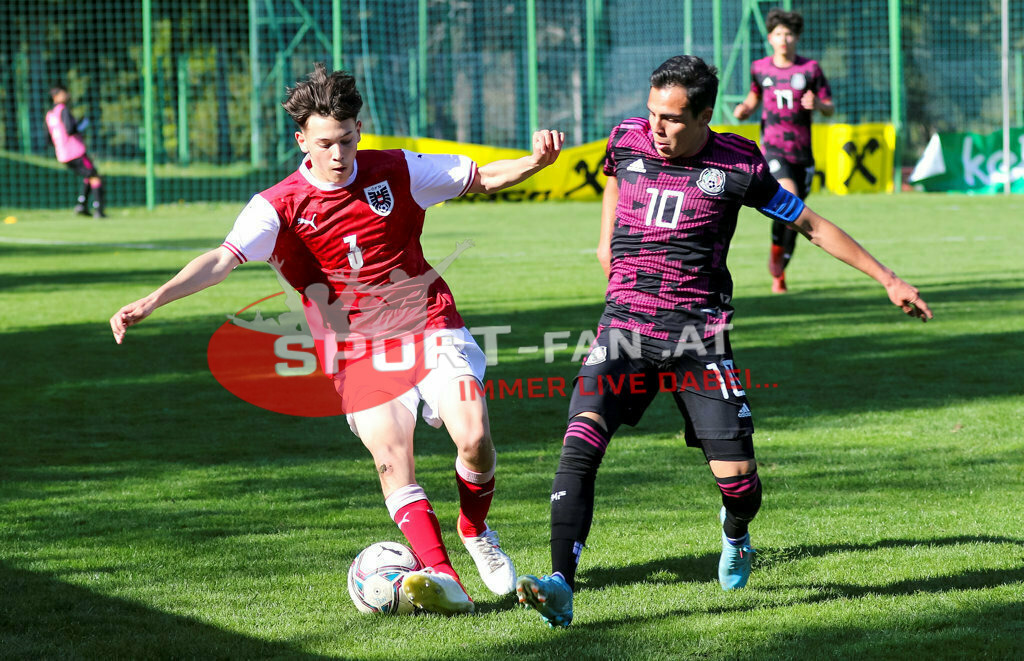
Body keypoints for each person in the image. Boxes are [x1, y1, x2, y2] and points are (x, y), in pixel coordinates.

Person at [110, 63, 565, 615]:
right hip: (358, 350)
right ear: (302, 140)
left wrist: (535, 162)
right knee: (392, 459)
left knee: (474, 438)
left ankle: (476, 529)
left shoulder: (396, 170)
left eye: (347, 139)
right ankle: (446, 581)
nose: (338, 153)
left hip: (429, 324)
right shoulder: (276, 206)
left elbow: (480, 177)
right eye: (325, 143)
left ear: (357, 131)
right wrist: (154, 299)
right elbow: (220, 261)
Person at [516, 55, 931, 628]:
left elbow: (809, 225)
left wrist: (888, 278)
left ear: (706, 115)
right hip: (624, 329)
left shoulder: (739, 163)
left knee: (739, 483)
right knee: (579, 444)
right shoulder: (626, 139)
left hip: (697, 339)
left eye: (672, 118)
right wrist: (605, 242)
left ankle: (736, 533)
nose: (656, 128)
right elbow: (614, 178)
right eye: (652, 113)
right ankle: (561, 581)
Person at [733, 8, 833, 293]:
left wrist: (819, 105)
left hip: (803, 154)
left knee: (795, 216)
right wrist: (744, 110)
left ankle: (779, 262)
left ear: (797, 38)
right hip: (774, 151)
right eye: (778, 34)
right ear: (770, 38)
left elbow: (829, 106)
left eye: (789, 34)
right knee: (790, 199)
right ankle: (778, 273)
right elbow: (753, 98)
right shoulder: (760, 68)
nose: (784, 39)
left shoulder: (810, 69)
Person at [46, 85, 106, 218]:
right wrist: (83, 125)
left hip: (62, 153)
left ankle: (82, 205)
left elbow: (49, 138)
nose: (67, 95)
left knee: (89, 175)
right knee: (95, 176)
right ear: (56, 96)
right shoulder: (63, 110)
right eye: (64, 93)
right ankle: (99, 210)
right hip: (75, 151)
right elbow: (70, 129)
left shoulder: (50, 114)